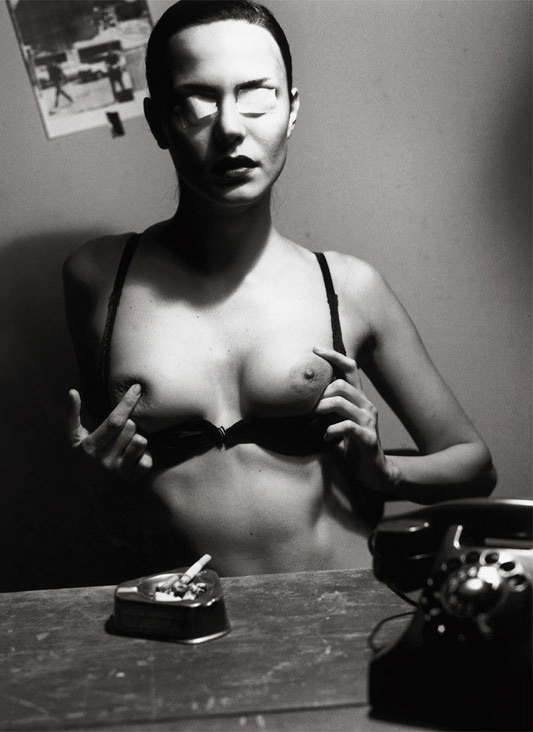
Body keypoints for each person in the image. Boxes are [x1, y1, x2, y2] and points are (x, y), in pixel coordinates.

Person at [63, 0, 496, 577]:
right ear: (159, 121)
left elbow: (474, 465)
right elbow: (106, 471)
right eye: (198, 99)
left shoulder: (348, 287)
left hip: (338, 604)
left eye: (256, 94)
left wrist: (386, 472)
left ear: (291, 110)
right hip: (181, 613)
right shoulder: (97, 277)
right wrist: (94, 477)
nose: (229, 128)